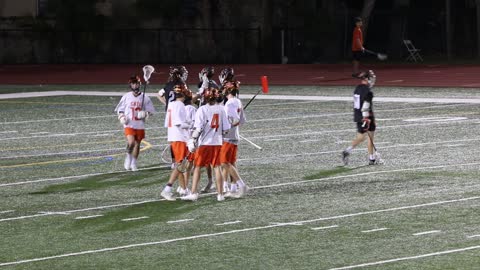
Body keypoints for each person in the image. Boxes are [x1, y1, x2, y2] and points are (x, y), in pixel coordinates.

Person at [181, 87, 231, 202]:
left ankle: (194, 193)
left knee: (197, 167)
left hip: (204, 143)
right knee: (217, 167)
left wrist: (192, 140)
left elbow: (198, 128)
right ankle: (220, 195)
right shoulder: (222, 109)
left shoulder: (202, 109)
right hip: (217, 143)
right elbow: (226, 130)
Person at [115, 75, 156, 171]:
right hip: (129, 123)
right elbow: (120, 109)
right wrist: (121, 117)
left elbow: (151, 111)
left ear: (139, 84)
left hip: (139, 125)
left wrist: (146, 113)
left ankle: (134, 162)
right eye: (133, 84)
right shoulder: (126, 96)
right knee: (131, 142)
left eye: (136, 83)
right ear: (130, 85)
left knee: (137, 144)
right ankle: (128, 157)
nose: (135, 85)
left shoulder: (145, 97)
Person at [160, 83, 192, 201]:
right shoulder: (180, 105)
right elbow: (179, 123)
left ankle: (184, 190)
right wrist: (190, 125)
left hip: (173, 136)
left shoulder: (171, 104)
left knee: (181, 165)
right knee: (180, 165)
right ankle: (167, 189)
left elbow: (167, 123)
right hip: (179, 137)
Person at [342, 70, 378, 166]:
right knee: (370, 138)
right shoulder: (368, 92)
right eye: (370, 78)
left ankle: (347, 151)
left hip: (358, 116)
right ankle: (371, 158)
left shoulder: (357, 88)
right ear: (366, 79)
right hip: (366, 116)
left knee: (361, 137)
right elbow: (365, 106)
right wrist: (366, 119)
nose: (372, 81)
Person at [220, 80, 248, 198]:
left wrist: (225, 129)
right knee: (231, 162)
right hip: (234, 136)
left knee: (224, 162)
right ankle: (234, 187)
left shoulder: (230, 103)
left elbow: (235, 120)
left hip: (228, 137)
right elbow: (242, 121)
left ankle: (241, 185)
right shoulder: (237, 101)